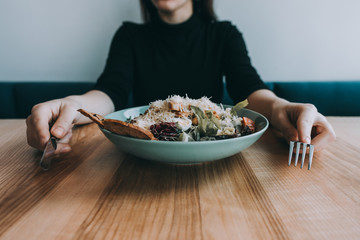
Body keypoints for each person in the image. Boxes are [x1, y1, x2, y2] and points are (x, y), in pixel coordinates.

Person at [26, 0, 336, 155]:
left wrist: (282, 107)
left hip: (215, 157)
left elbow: (249, 88)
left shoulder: (223, 35)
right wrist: (72, 104)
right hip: (142, 160)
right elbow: (111, 92)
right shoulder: (130, 36)